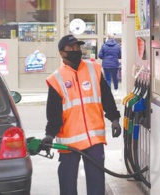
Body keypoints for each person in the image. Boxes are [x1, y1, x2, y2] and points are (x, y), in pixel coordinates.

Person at [41, 34, 121, 195]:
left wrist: (114, 118)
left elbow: (106, 96)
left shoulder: (94, 70)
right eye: (71, 48)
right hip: (69, 142)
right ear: (62, 53)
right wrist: (49, 135)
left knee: (97, 184)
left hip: (94, 140)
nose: (76, 50)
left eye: (77, 47)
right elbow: (54, 112)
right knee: (67, 183)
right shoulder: (57, 79)